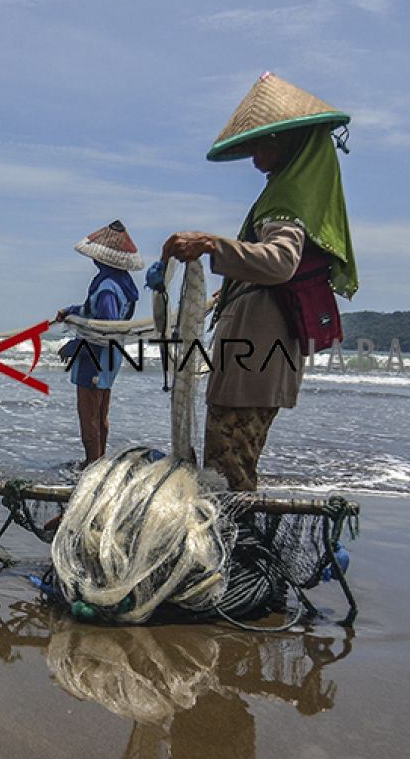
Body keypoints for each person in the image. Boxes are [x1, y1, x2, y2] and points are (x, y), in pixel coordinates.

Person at [161, 72, 357, 491]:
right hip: (258, 361)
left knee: (226, 474)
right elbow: (273, 275)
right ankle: (237, 549)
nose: (253, 154)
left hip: (254, 364)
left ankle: (237, 553)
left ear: (288, 144)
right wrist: (227, 291)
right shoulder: (289, 196)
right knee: (233, 466)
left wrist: (211, 243)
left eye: (260, 143)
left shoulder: (286, 202)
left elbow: (280, 263)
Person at [54, 220, 142, 466]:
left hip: (95, 356)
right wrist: (70, 310)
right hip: (111, 357)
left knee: (88, 415)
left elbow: (105, 327)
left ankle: (92, 466)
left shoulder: (106, 288)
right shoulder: (122, 284)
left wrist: (75, 348)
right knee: (101, 412)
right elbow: (92, 312)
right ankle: (98, 462)